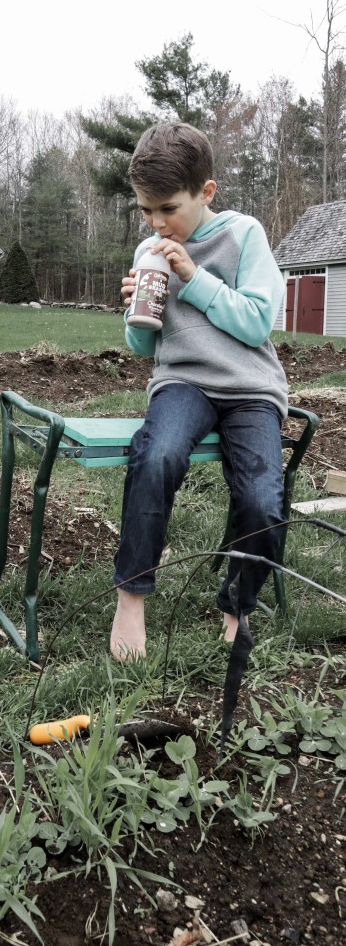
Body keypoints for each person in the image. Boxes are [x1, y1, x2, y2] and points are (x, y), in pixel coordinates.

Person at [111, 122, 288, 660]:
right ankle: (131, 598)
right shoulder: (151, 248)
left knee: (261, 497)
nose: (157, 223)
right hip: (183, 380)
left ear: (205, 193)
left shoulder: (244, 235)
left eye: (168, 209)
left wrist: (194, 278)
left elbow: (258, 322)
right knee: (157, 454)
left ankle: (238, 604)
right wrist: (137, 313)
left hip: (249, 387)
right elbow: (145, 347)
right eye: (146, 210)